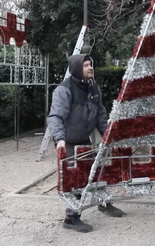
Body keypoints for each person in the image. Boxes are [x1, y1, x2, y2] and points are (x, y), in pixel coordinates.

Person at [47, 54, 125, 233]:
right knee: (75, 180)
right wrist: (59, 139)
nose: (90, 68)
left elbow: (101, 116)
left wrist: (108, 137)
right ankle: (71, 218)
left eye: (91, 64)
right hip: (67, 142)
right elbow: (55, 117)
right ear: (76, 69)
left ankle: (104, 203)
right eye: (86, 66)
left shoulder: (93, 87)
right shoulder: (64, 90)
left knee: (98, 172)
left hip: (84, 140)